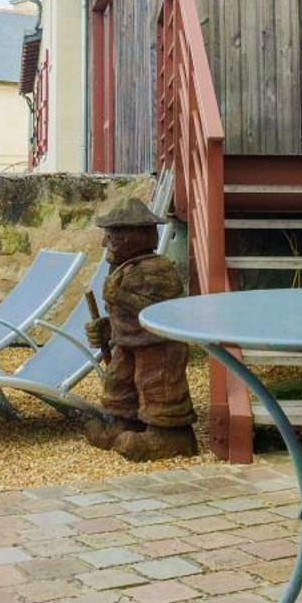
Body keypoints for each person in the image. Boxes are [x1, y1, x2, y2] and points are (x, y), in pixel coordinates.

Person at [83, 196, 197, 461]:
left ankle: (169, 436)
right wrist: (108, 327)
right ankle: (127, 423)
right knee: (118, 382)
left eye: (113, 236)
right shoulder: (122, 268)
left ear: (138, 235)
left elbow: (158, 312)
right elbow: (126, 315)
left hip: (158, 346)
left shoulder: (157, 268)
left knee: (155, 385)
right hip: (131, 343)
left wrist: (120, 296)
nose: (105, 243)